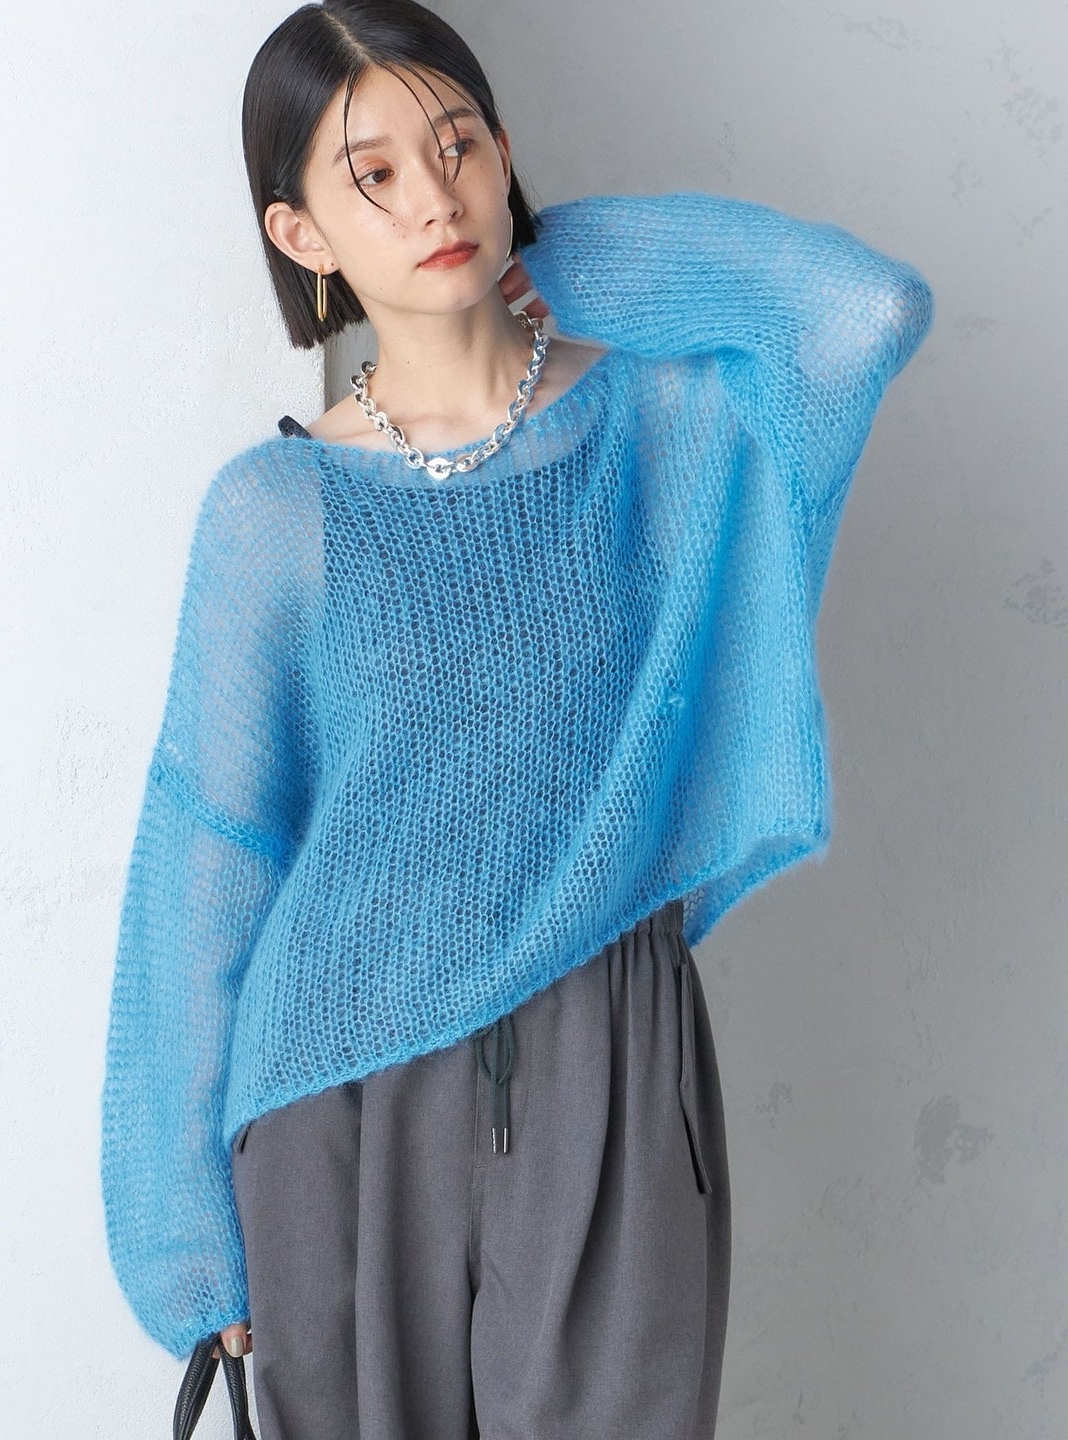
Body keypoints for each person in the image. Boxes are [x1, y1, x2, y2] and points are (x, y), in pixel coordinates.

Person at [99, 2, 935, 1436]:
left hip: (608, 1050)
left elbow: (863, 315)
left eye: (458, 146)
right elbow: (209, 856)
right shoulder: (276, 511)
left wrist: (566, 256)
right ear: (301, 234)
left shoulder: (660, 428)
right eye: (372, 176)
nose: (435, 198)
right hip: (339, 1092)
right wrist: (183, 1235)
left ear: (503, 152)